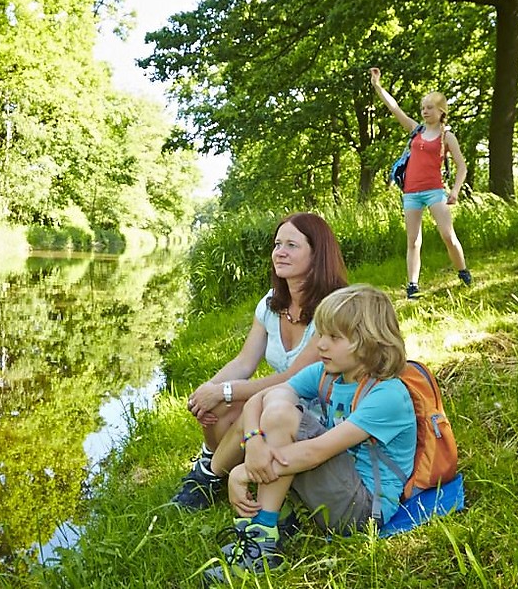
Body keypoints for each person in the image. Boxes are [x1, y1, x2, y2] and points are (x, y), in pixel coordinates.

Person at [203, 285, 416, 582]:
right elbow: (257, 400)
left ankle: (263, 538)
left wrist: (244, 473)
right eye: (320, 335)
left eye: (333, 337)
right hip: (335, 484)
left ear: (368, 342)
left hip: (363, 510)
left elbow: (315, 452)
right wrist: (252, 444)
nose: (320, 346)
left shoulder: (387, 395)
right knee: (277, 406)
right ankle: (271, 524)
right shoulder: (326, 375)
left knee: (281, 415)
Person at [171, 212, 349, 510]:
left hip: (321, 410)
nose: (280, 252)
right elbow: (244, 362)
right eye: (277, 244)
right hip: (281, 400)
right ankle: (215, 462)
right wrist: (209, 389)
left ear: (318, 254)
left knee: (240, 404)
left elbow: (294, 378)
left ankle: (208, 475)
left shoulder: (333, 309)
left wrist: (225, 391)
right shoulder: (271, 303)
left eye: (292, 245)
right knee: (218, 403)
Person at [370, 67, 472, 299]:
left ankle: (463, 271)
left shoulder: (448, 136)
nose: (425, 111)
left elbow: (462, 167)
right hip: (411, 193)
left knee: (448, 235)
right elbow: (394, 108)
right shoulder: (416, 130)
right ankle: (413, 286)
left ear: (441, 110)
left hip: (435, 191)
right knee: (413, 241)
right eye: (423, 108)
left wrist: (455, 191)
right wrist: (378, 86)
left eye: (429, 108)